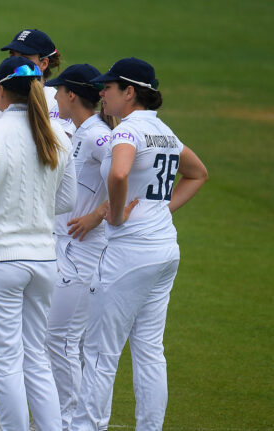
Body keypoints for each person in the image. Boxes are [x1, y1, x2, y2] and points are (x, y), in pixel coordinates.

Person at [70, 58, 208, 431]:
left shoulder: (127, 132)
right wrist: (160, 210)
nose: (102, 94)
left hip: (128, 253)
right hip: (164, 251)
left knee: (99, 352)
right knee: (149, 350)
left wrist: (115, 215)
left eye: (108, 87)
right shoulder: (164, 131)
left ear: (129, 92)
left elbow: (118, 173)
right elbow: (198, 173)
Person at [0, 56, 76, 431]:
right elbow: (67, 200)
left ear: (1, 91)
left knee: (6, 360)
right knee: (35, 357)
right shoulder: (57, 134)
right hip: (42, 261)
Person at [43, 64, 118, 431]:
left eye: (59, 91)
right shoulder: (79, 132)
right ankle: (60, 419)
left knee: (61, 339)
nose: (55, 96)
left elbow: (130, 174)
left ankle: (69, 421)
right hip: (67, 247)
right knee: (58, 339)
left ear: (71, 95)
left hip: (85, 251)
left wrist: (99, 215)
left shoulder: (98, 136)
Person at [0, 29, 75, 136]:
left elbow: (58, 143)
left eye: (24, 58)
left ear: (44, 64)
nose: (15, 62)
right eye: (12, 56)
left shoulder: (57, 102)